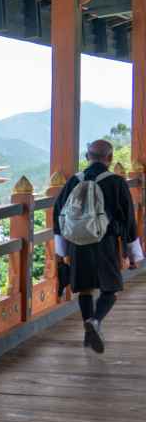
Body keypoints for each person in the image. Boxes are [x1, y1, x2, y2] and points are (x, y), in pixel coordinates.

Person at [53, 139, 143, 354]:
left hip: (78, 243)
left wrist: (61, 252)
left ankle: (88, 333)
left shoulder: (75, 180)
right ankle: (95, 321)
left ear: (87, 157)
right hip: (106, 243)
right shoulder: (116, 182)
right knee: (110, 289)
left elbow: (58, 213)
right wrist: (133, 256)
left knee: (85, 288)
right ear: (110, 158)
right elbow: (129, 219)